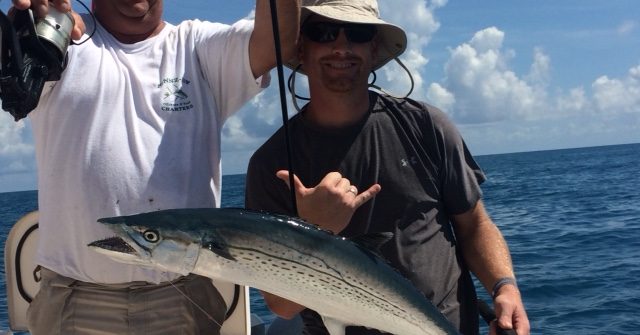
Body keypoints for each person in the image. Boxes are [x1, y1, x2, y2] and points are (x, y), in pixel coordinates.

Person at [9, 0, 300, 334]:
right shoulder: (61, 39)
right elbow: (17, 50)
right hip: (76, 297)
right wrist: (27, 21)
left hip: (182, 297)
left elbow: (277, 39)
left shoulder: (197, 46)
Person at [245, 0, 530, 334]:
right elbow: (281, 305)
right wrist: (316, 230)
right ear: (302, 47)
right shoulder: (271, 164)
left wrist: (505, 286)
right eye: (322, 31)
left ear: (374, 46)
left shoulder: (427, 126)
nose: (341, 46)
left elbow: (474, 225)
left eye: (357, 32)